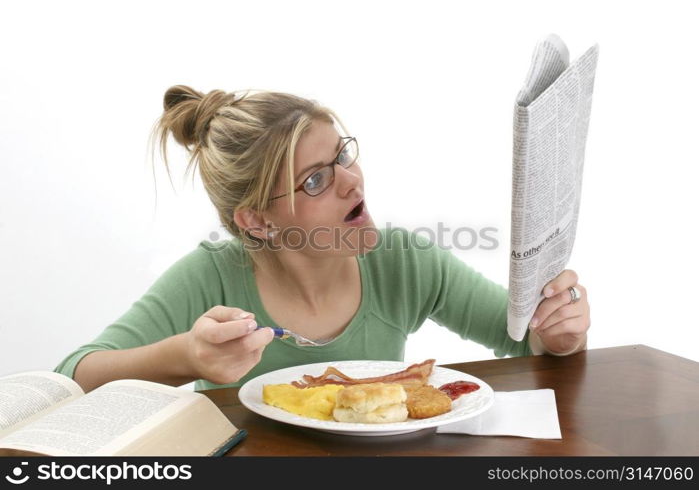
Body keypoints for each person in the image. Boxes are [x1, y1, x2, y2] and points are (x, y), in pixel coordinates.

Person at [53, 86, 591, 393]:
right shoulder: (212, 276)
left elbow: (524, 341)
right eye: (315, 179)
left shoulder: (403, 261)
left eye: (344, 155)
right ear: (258, 222)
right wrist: (187, 356)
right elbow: (73, 374)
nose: (351, 180)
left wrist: (559, 332)